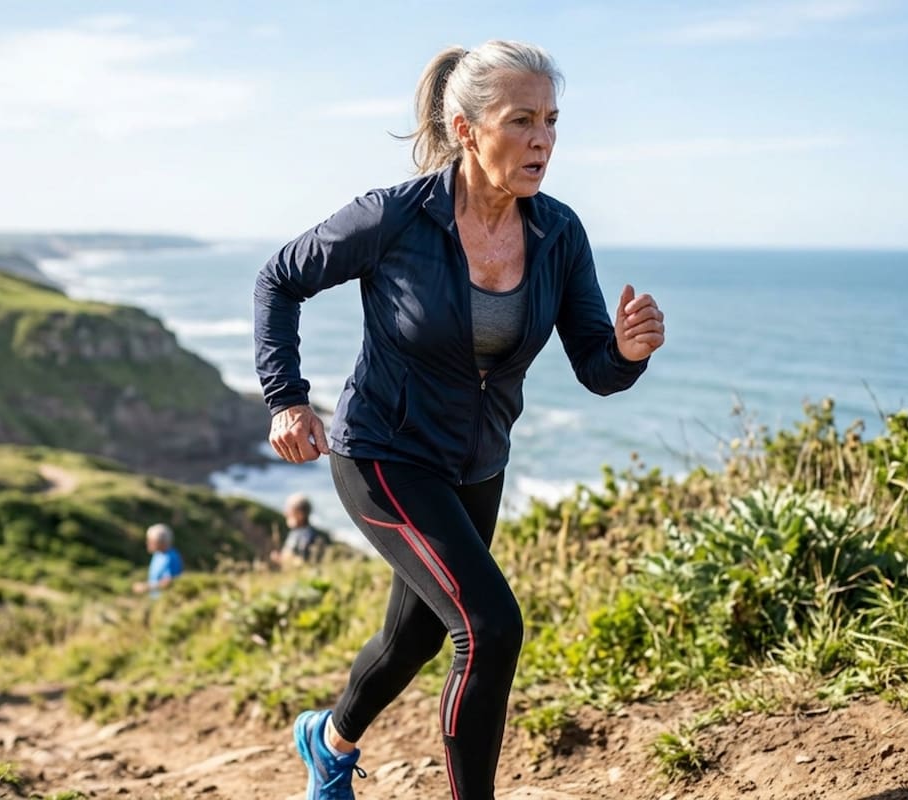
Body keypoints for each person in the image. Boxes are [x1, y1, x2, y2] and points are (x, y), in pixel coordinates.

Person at [253, 40, 665, 799]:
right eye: (521, 120)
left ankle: (327, 741)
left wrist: (629, 351)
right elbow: (280, 278)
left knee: (411, 633)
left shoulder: (558, 233)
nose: (541, 139)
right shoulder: (393, 218)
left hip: (477, 464)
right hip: (383, 453)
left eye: (551, 121)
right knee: (490, 626)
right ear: (467, 128)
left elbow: (595, 369)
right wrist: (286, 397)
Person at [270, 492, 326, 568]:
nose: (285, 513)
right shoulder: (296, 532)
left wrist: (281, 560)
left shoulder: (307, 536)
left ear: (300, 514)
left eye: (289, 510)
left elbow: (304, 563)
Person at [131, 523, 184, 596]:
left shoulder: (171, 557)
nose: (147, 543)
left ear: (161, 542)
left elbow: (169, 582)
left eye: (151, 541)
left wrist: (145, 587)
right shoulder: (157, 554)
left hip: (165, 600)